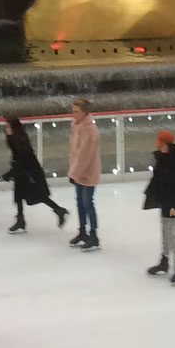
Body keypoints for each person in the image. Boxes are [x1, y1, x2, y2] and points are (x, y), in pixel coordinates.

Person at [0, 113, 69, 233]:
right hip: (22, 171)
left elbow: (23, 159)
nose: (5, 129)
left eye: (8, 127)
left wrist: (11, 173)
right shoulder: (13, 139)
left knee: (37, 195)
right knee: (19, 196)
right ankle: (21, 220)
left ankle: (58, 210)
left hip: (29, 173)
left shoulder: (20, 141)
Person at [142, 127, 175, 283]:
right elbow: (157, 179)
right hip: (166, 202)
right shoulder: (161, 159)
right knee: (165, 232)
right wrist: (149, 193)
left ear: (168, 144)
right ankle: (164, 261)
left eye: (161, 144)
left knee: (171, 233)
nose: (159, 147)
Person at [67, 97, 102, 250]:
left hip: (88, 172)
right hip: (78, 172)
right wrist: (74, 171)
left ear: (85, 112)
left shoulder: (90, 130)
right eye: (72, 111)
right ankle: (82, 231)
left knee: (88, 203)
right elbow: (75, 152)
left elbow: (84, 155)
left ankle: (93, 235)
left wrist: (73, 172)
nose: (73, 114)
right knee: (80, 202)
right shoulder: (76, 125)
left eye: (76, 112)